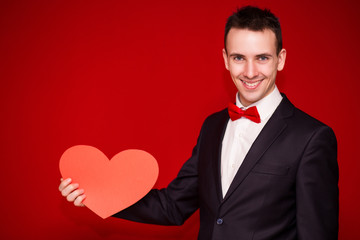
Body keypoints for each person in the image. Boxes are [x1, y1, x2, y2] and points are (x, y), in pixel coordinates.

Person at [59, 6, 339, 240]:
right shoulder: (213, 126)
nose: (250, 72)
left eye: (262, 58)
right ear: (225, 60)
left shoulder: (313, 138)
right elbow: (172, 207)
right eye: (239, 58)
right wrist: (97, 194)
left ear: (281, 59)